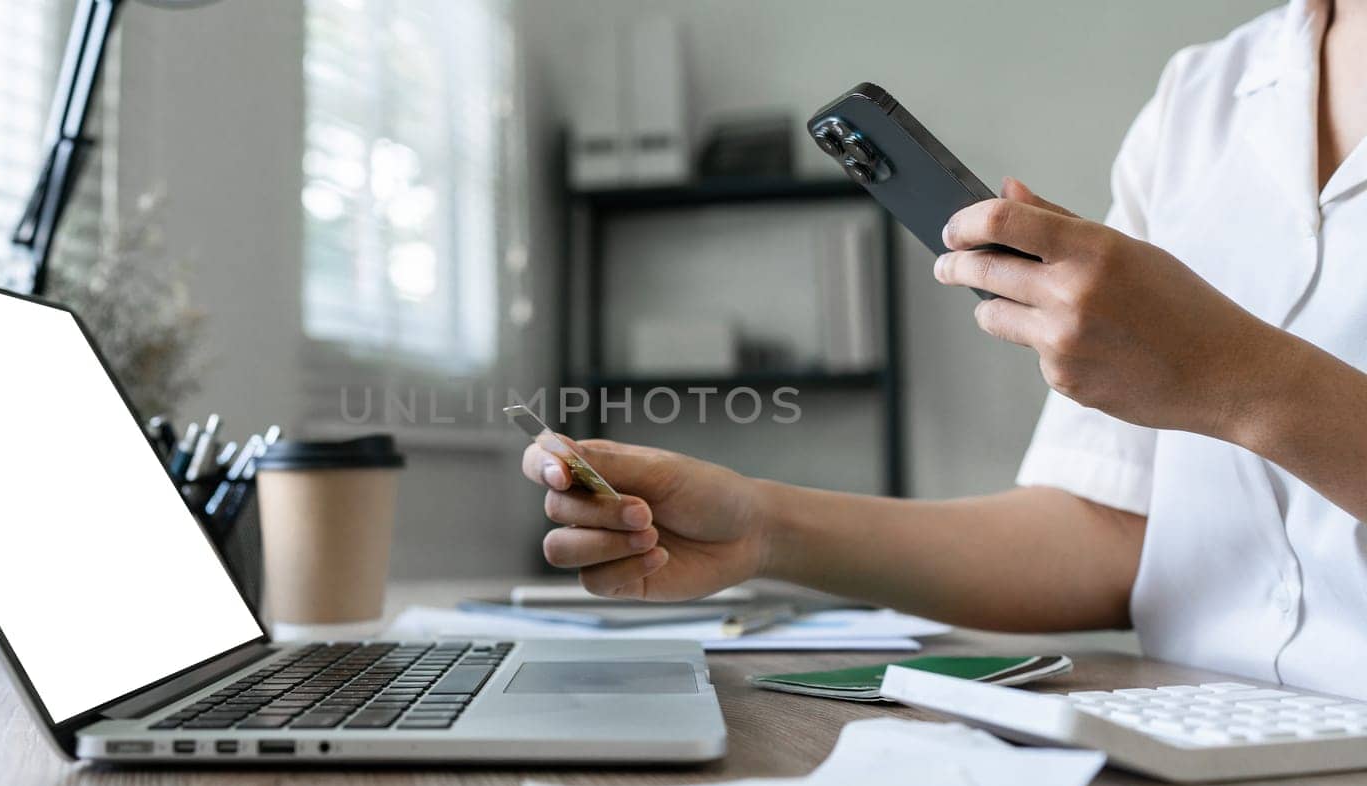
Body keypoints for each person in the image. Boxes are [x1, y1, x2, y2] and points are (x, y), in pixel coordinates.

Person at [520, 0, 1367, 699]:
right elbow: (1113, 529)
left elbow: (1226, 393)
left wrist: (1237, 379)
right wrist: (760, 529)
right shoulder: (1200, 95)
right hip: (1193, 737)